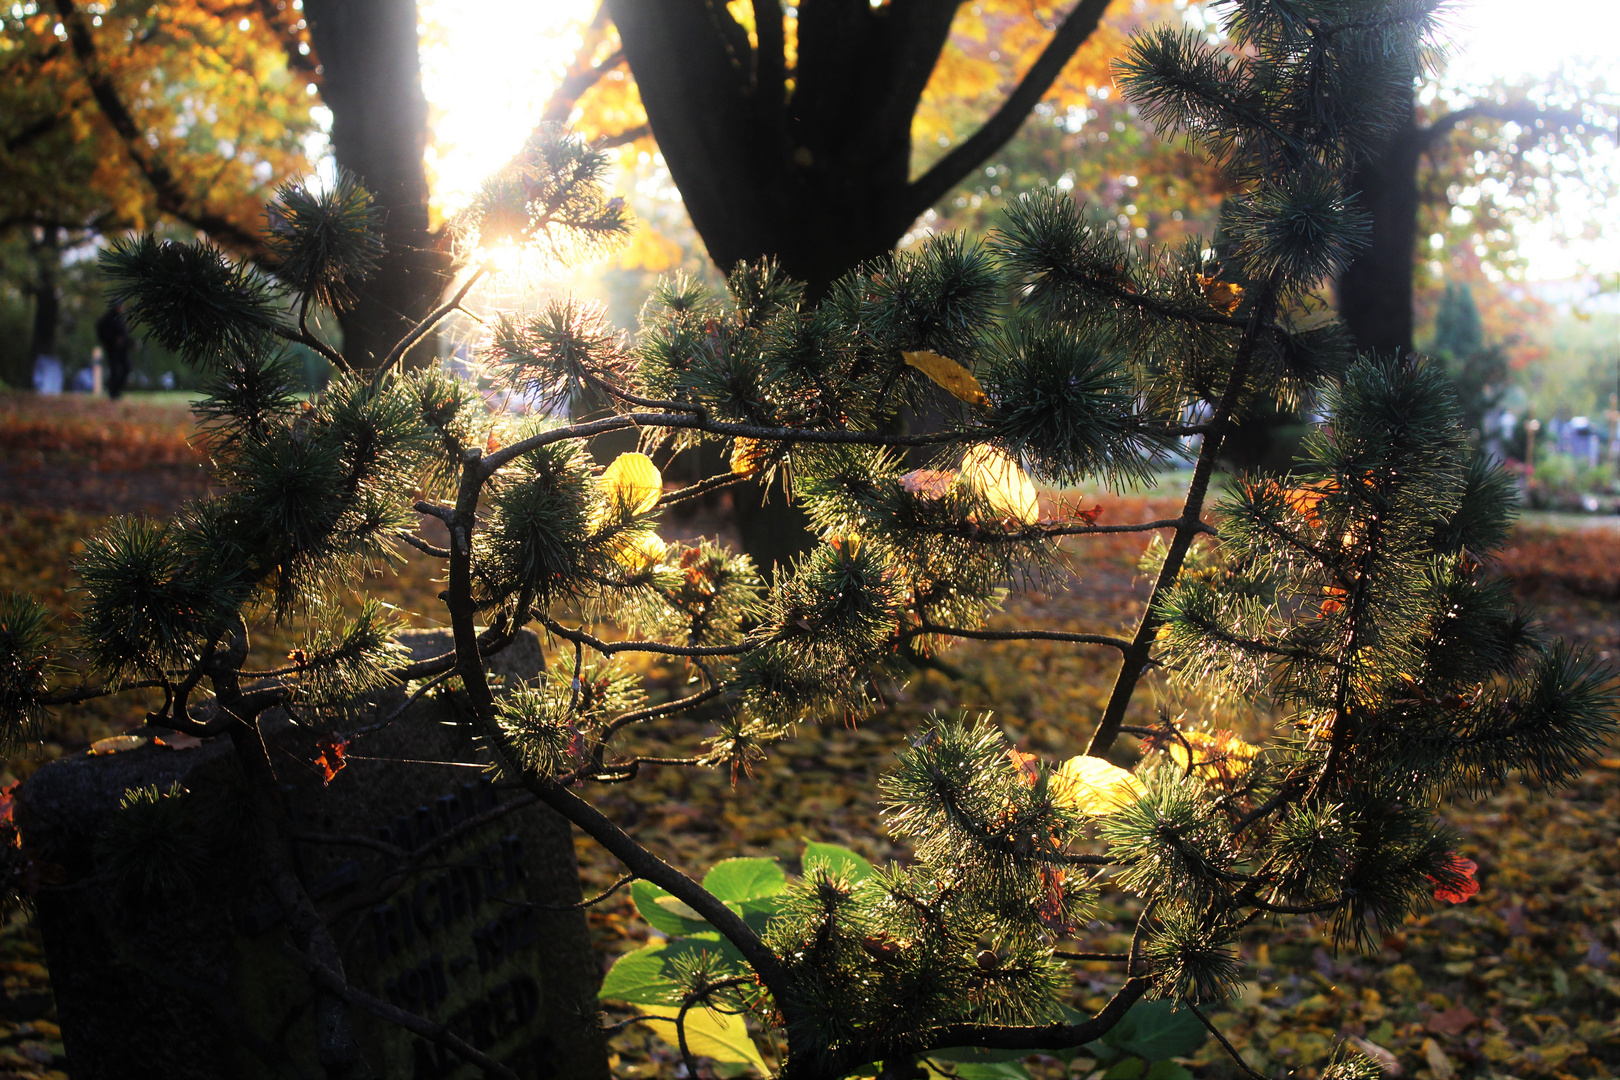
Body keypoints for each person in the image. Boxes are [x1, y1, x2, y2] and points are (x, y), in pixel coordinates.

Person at [95, 300, 134, 399]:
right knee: (114, 370)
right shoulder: (108, 319)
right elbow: (103, 332)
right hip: (112, 349)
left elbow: (124, 334)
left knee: (126, 368)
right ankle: (113, 392)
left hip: (122, 349)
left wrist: (131, 343)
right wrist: (113, 340)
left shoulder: (121, 318)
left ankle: (117, 389)